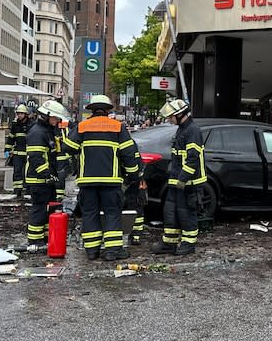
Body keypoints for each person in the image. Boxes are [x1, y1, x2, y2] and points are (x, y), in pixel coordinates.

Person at [62, 95, 139, 261]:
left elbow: (68, 147)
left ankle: (92, 251)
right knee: (112, 214)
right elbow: (129, 153)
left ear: (91, 109)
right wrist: (133, 175)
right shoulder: (118, 127)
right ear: (107, 110)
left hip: (87, 182)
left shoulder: (82, 127)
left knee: (90, 214)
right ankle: (113, 251)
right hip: (111, 182)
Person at [151, 99, 207, 256]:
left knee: (186, 213)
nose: (169, 119)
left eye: (170, 117)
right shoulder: (182, 129)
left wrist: (183, 178)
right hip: (176, 181)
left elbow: (193, 158)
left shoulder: (193, 131)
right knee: (171, 212)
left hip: (189, 183)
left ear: (180, 114)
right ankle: (169, 243)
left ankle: (188, 244)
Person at [24, 100, 68, 246]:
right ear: (47, 116)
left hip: (46, 180)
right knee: (39, 210)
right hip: (39, 180)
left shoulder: (47, 131)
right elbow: (37, 158)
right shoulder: (38, 132)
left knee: (48, 210)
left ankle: (45, 238)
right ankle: (35, 240)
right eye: (56, 118)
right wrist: (47, 175)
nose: (57, 121)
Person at [6, 105, 33, 198]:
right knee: (17, 172)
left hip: (29, 153)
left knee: (29, 172)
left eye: (21, 113)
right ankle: (17, 190)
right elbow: (11, 138)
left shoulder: (32, 125)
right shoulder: (15, 125)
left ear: (26, 114)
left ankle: (28, 190)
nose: (19, 115)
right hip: (18, 153)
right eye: (18, 113)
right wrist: (7, 150)